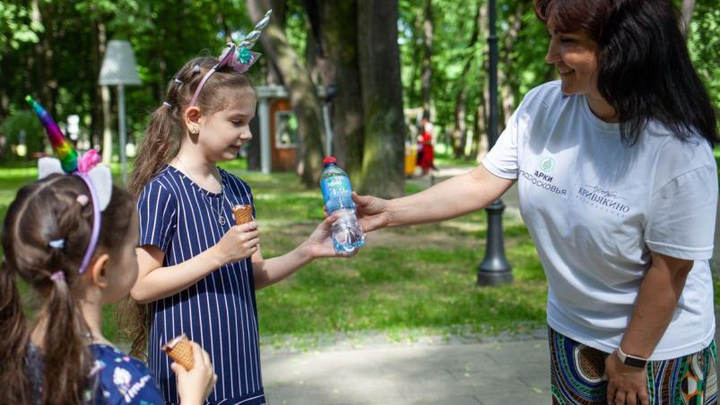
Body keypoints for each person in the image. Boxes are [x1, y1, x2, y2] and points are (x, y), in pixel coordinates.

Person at [353, 0, 718, 404]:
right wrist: (388, 212)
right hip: (572, 331)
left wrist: (631, 359)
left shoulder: (679, 150)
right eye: (551, 39)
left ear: (623, 47)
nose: (550, 56)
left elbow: (671, 270)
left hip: (657, 350)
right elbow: (480, 182)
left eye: (567, 41)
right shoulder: (542, 108)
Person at [127, 50, 349, 403]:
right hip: (189, 376)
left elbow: (253, 273)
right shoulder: (163, 191)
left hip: (241, 371)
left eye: (250, 122)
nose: (247, 133)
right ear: (194, 118)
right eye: (236, 121)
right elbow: (140, 286)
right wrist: (218, 255)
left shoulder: (238, 189)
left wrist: (308, 250)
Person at [0, 172, 216, 404]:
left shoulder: (12, 359)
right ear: (102, 270)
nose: (136, 255)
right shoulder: (127, 385)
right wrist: (193, 397)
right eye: (133, 248)